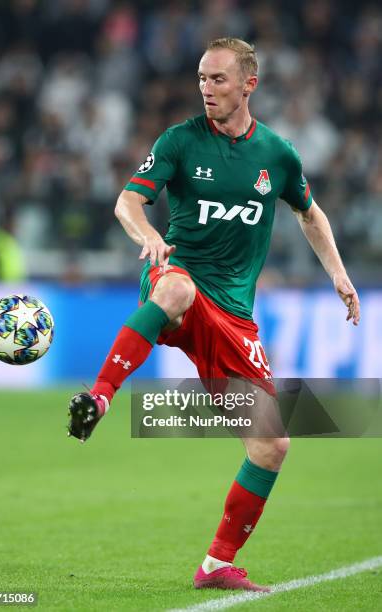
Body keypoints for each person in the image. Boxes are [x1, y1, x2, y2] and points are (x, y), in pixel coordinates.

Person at [67, 38, 360, 591]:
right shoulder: (179, 141)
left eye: (218, 79)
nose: (206, 88)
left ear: (249, 84)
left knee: (272, 446)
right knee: (175, 290)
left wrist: (339, 275)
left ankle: (216, 564)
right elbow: (127, 202)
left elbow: (310, 213)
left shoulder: (276, 154)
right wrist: (151, 234)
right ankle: (101, 395)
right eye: (201, 78)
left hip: (232, 315)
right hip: (177, 278)